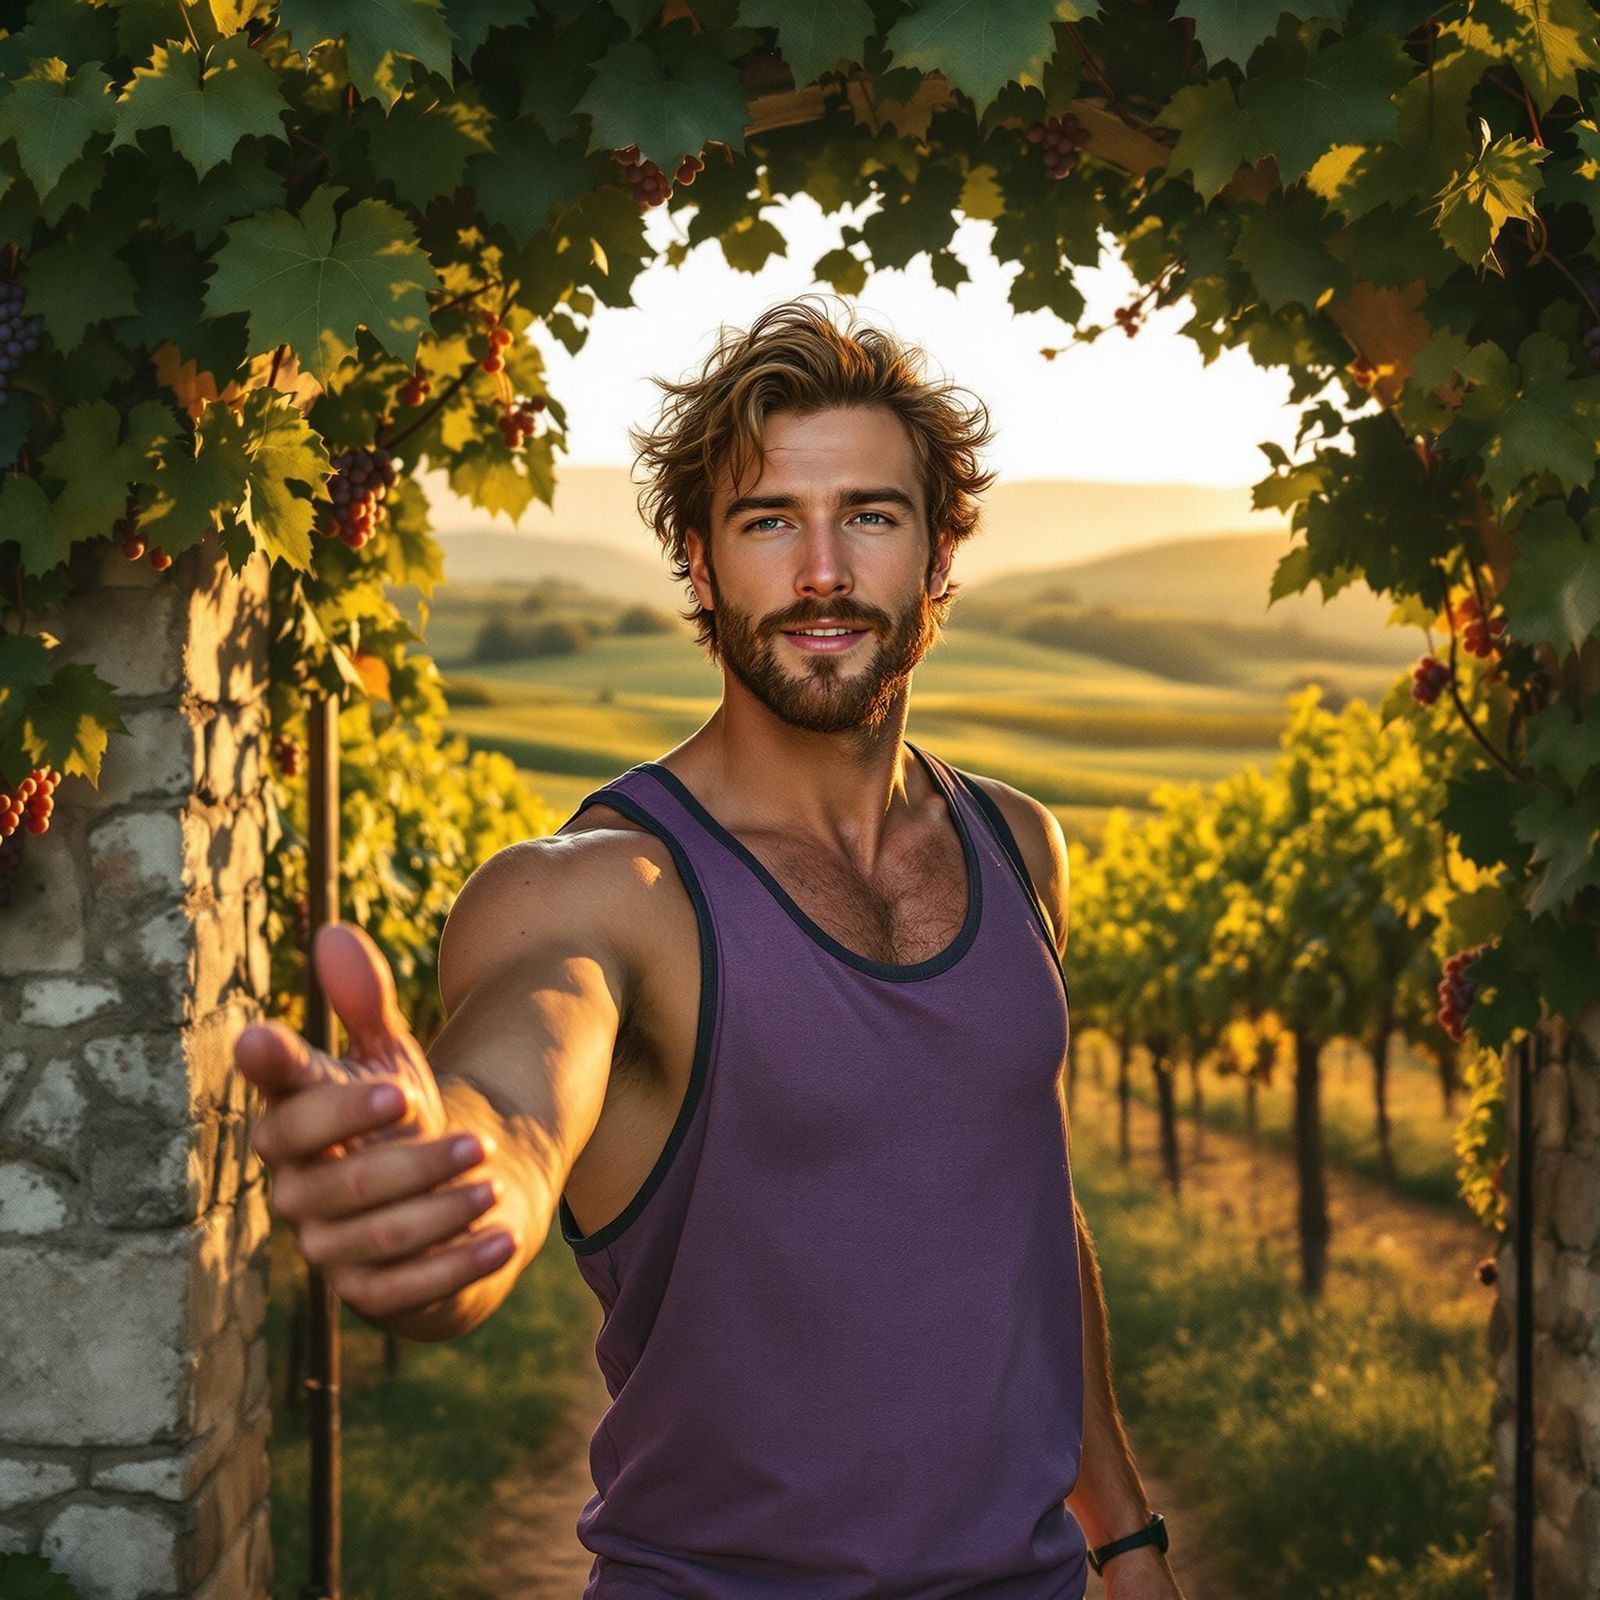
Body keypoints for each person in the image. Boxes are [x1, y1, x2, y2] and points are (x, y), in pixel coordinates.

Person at [235, 298, 1185, 1599]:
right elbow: (518, 1098)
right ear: (697, 563)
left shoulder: (1020, 847)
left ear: (940, 555)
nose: (821, 573)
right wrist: (457, 1190)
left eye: (870, 514)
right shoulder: (596, 893)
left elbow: (1023, 1200)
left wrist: (1121, 1527)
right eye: (765, 524)